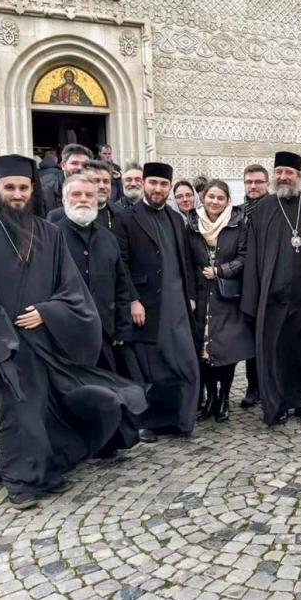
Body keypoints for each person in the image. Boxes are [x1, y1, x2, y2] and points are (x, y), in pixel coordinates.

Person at [0, 154, 146, 509]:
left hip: (48, 341)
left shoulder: (50, 233)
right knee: (15, 416)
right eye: (10, 188)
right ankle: (19, 484)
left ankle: (45, 473)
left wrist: (47, 313)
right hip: (7, 346)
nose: (17, 194)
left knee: (46, 413)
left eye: (23, 187)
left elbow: (72, 289)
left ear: (33, 189)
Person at [241, 151, 301, 426]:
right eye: (279, 172)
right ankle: (278, 403)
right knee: (275, 352)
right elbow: (253, 255)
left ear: (299, 175)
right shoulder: (263, 208)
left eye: (289, 172)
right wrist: (253, 297)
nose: (283, 176)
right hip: (271, 297)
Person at [114, 162, 201, 443]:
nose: (158, 189)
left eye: (164, 184)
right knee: (153, 366)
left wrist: (190, 295)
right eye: (153, 183)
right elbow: (121, 263)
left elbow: (185, 260)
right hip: (147, 304)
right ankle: (150, 422)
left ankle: (181, 419)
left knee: (184, 361)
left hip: (177, 301)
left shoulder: (176, 219)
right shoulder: (125, 219)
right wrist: (133, 300)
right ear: (143, 184)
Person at [185, 180, 254, 423]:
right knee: (203, 351)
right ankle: (211, 398)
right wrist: (190, 295)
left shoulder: (238, 223)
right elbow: (187, 262)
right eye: (211, 197)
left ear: (227, 201)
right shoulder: (192, 223)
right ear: (203, 197)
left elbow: (244, 256)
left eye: (220, 198)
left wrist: (220, 271)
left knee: (227, 351)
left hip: (228, 296)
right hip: (201, 296)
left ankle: (224, 398)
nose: (215, 201)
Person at [55, 174, 132, 373]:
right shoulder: (51, 236)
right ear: (64, 199)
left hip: (104, 335)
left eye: (89, 195)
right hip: (64, 336)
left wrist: (122, 329)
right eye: (76, 194)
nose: (83, 199)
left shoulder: (109, 238)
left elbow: (121, 286)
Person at [238, 164, 270, 409]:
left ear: (267, 184)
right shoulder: (238, 212)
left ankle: (271, 386)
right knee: (250, 338)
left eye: (258, 182)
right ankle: (254, 386)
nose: (253, 186)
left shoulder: (275, 209)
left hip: (269, 281)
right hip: (244, 282)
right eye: (249, 182)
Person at [47, 160, 122, 229]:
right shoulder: (57, 217)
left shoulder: (120, 213)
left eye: (106, 181)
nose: (102, 186)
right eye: (96, 181)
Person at [39, 144, 91, 212]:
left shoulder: (97, 190)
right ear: (63, 165)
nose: (80, 167)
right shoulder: (45, 194)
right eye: (74, 163)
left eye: (85, 164)